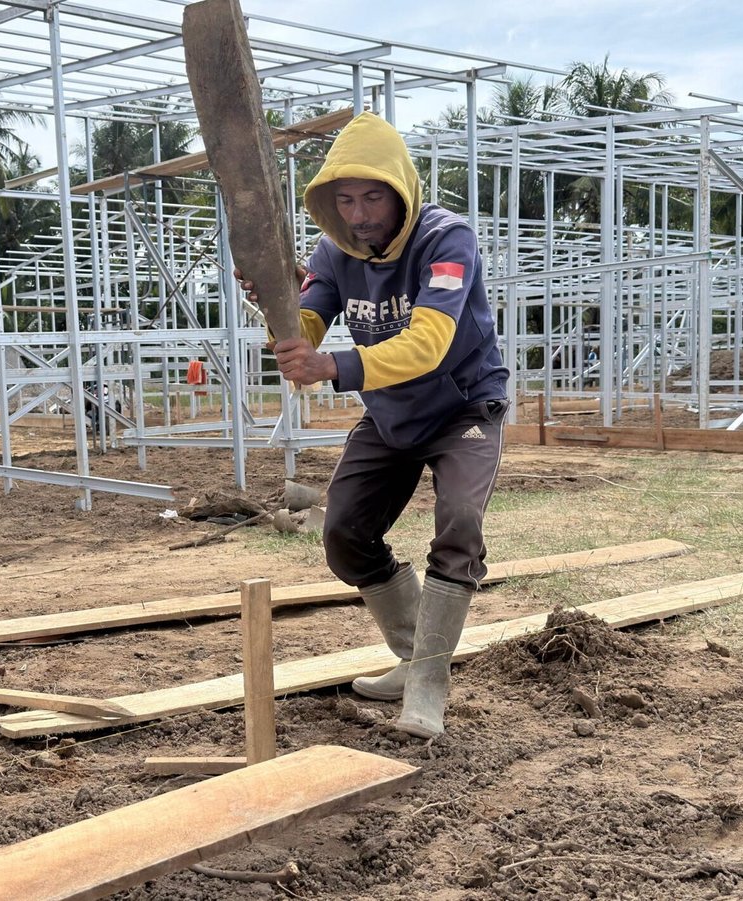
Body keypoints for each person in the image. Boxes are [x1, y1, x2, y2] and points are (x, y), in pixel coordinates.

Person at [247, 112, 509, 739]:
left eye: (372, 197)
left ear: (401, 191)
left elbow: (430, 341)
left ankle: (427, 683)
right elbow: (302, 331)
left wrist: (332, 365)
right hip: (390, 412)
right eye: (345, 199)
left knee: (460, 523)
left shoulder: (447, 241)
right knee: (344, 535)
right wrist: (274, 306)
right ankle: (415, 654)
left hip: (462, 407)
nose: (359, 213)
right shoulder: (334, 252)